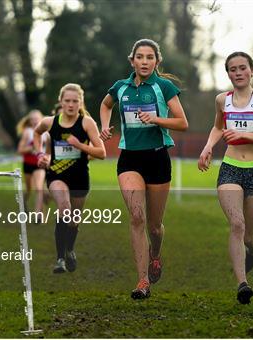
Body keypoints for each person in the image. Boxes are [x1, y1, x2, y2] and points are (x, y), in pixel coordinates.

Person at [99, 39, 188, 299]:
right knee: (136, 217)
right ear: (132, 61)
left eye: (150, 57)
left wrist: (156, 119)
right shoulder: (121, 87)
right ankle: (142, 281)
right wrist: (104, 125)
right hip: (129, 160)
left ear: (156, 62)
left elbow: (182, 122)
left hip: (158, 159)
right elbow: (106, 104)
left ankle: (156, 254)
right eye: (140, 57)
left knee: (154, 226)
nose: (145, 61)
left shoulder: (164, 86)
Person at [197, 52, 253, 304]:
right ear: (228, 73)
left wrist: (247, 136)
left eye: (242, 68)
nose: (238, 72)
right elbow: (218, 127)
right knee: (237, 224)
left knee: (248, 235)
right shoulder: (222, 100)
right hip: (231, 168)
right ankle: (242, 284)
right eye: (232, 69)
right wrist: (208, 146)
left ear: (251, 70)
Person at [34, 83, 106, 274]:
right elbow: (36, 132)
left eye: (75, 101)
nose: (71, 105)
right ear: (61, 101)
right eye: (67, 101)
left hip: (80, 177)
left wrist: (79, 145)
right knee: (64, 208)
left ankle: (69, 250)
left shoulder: (86, 123)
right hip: (56, 175)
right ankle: (59, 259)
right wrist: (40, 155)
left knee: (74, 220)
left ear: (80, 102)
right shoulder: (50, 122)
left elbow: (101, 153)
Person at [16, 110, 46, 222]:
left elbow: (50, 148)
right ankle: (23, 201)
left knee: (39, 188)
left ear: (41, 119)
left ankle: (38, 215)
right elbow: (20, 150)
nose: (35, 121)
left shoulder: (46, 132)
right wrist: (31, 148)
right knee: (29, 189)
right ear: (30, 121)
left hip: (39, 164)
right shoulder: (27, 132)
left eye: (37, 119)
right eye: (32, 119)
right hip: (28, 163)